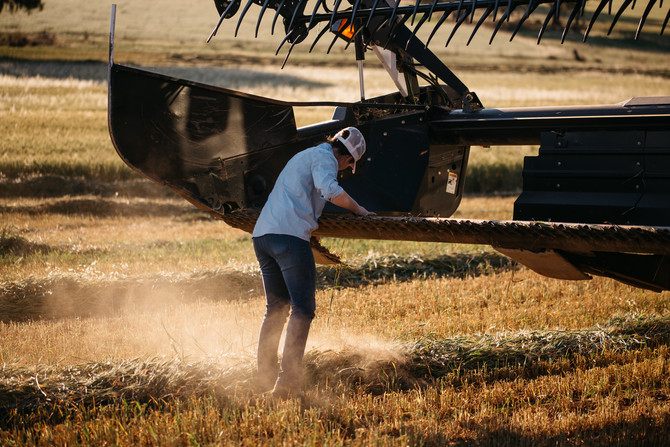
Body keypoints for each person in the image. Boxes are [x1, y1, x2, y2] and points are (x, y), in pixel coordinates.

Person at [252, 126, 374, 399]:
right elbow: (330, 190)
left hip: (263, 236)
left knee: (276, 309)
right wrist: (358, 209)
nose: (345, 169)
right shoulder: (325, 158)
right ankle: (287, 384)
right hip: (289, 237)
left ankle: (264, 379)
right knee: (303, 309)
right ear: (348, 159)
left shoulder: (305, 155)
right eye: (348, 166)